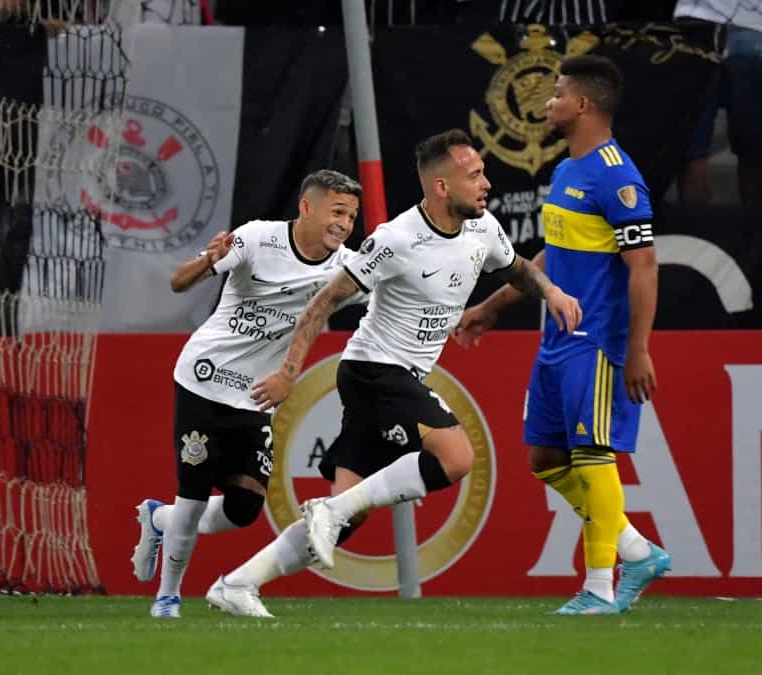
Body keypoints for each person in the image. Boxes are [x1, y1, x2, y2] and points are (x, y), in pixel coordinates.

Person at [206, 129, 581, 619]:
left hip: (400, 377)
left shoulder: (483, 229)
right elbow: (323, 303)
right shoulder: (396, 239)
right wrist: (289, 373)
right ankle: (329, 511)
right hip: (373, 371)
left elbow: (517, 271)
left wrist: (550, 291)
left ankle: (237, 584)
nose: (486, 183)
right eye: (474, 175)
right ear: (442, 187)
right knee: (456, 456)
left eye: (483, 173)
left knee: (349, 514)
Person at [455, 55, 670, 615]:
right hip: (555, 339)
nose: (547, 103)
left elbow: (643, 265)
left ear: (583, 105)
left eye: (556, 94)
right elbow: (557, 252)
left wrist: (639, 348)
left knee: (593, 453)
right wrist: (497, 303)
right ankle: (637, 549)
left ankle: (599, 587)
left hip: (597, 341)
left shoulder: (619, 177)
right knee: (545, 457)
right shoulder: (567, 171)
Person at [132, 170, 363, 618]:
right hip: (203, 379)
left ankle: (159, 519)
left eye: (352, 216)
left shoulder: (345, 268)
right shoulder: (257, 238)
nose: (344, 224)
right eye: (337, 212)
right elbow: (179, 282)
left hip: (256, 397)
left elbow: (389, 293)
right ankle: (168, 597)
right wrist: (207, 260)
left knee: (244, 509)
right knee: (194, 494)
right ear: (306, 207)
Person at [673, 0, 762, 207]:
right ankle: (752, 232)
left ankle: (694, 233)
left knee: (691, 152)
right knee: (754, 152)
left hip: (696, 20)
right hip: (753, 24)